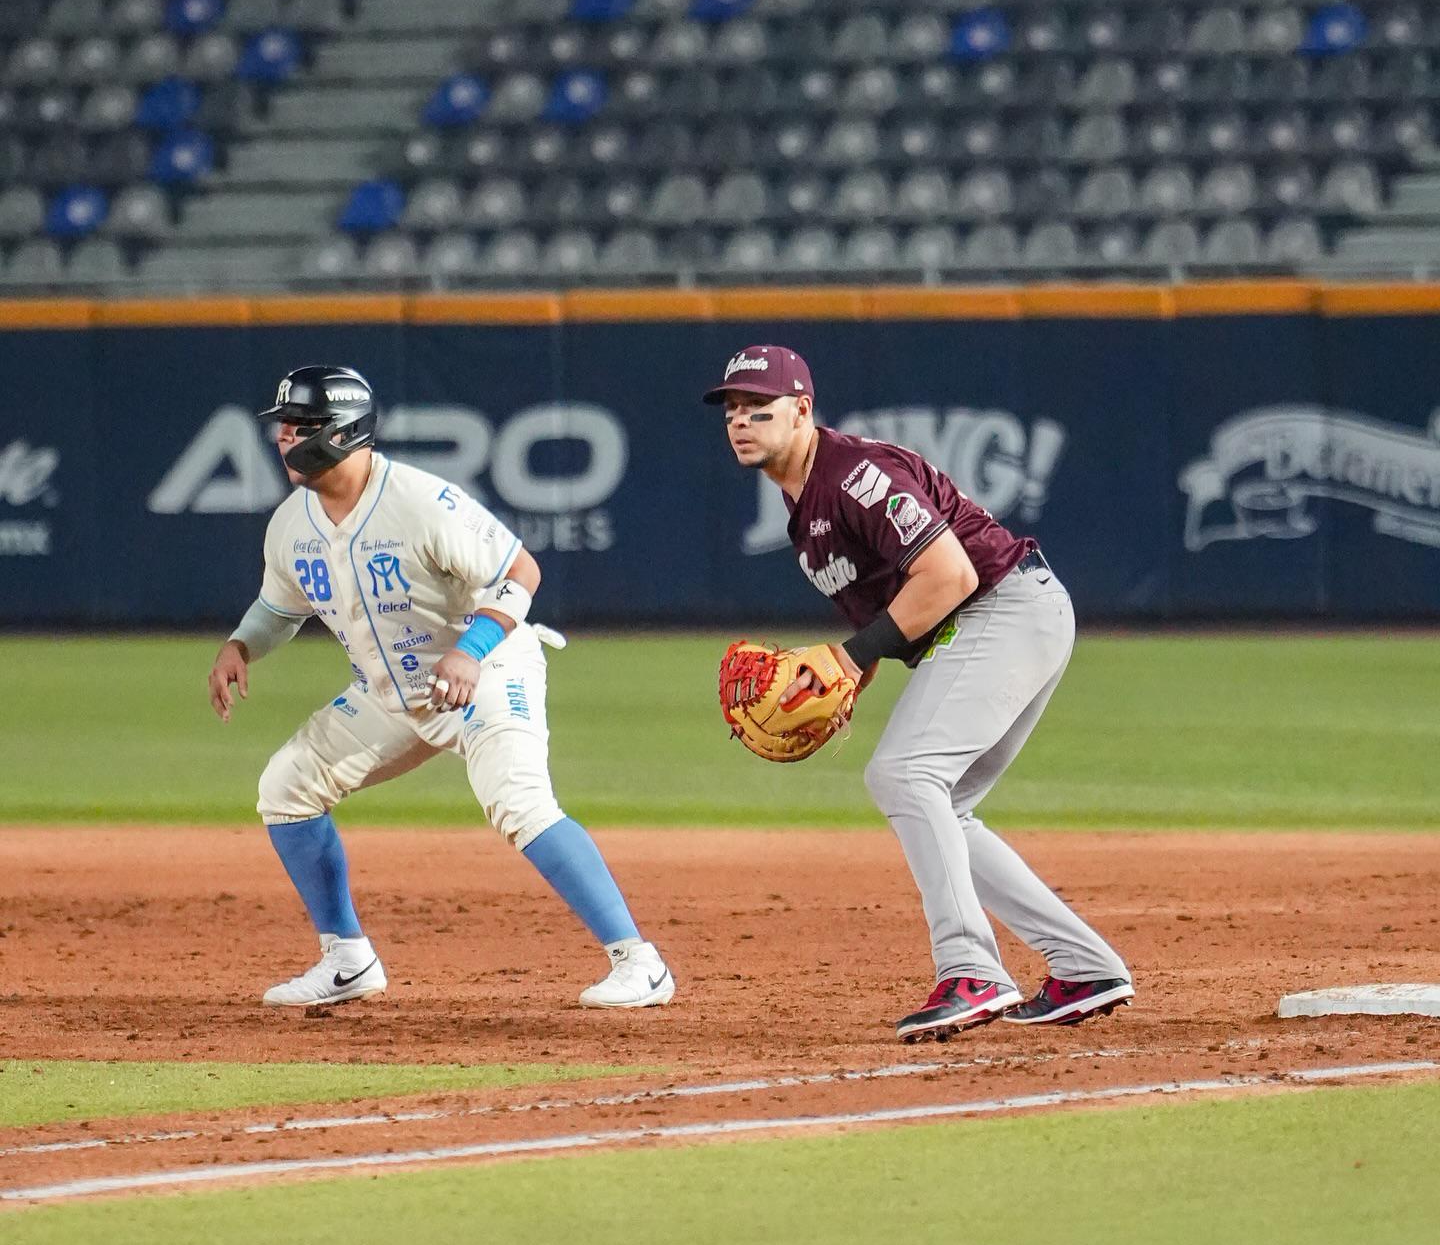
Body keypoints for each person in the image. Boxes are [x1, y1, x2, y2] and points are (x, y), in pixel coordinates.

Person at [208, 364, 675, 1011]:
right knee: (286, 787)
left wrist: (470, 651)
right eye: (282, 425)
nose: (283, 437)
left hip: (488, 669)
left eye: (298, 425)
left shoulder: (420, 502)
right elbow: (277, 608)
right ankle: (347, 960)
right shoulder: (292, 523)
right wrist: (239, 646)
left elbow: (521, 572)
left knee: (518, 801)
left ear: (341, 431)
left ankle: (640, 962)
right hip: (394, 692)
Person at [704, 344, 1130, 1041]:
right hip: (1005, 618)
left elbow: (950, 577)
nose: (741, 422)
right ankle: (1083, 966)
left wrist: (847, 657)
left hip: (1002, 606)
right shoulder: (804, 517)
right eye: (732, 411)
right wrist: (844, 684)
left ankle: (971, 971)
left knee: (905, 773)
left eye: (760, 408)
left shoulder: (854, 477)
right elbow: (886, 626)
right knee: (943, 801)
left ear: (803, 410)